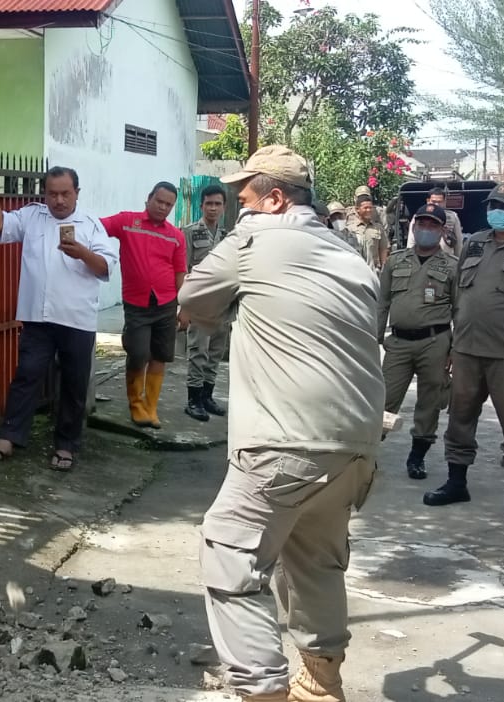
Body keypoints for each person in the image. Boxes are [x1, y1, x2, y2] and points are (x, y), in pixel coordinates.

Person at [182, 145, 380, 702]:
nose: (238, 209)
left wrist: (229, 298)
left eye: (245, 199)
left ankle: (262, 690)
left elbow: (193, 296)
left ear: (274, 199)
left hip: (283, 441)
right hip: (355, 447)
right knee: (314, 560)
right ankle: (321, 684)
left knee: (229, 551)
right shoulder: (351, 258)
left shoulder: (255, 237)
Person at [0, 165, 118, 471]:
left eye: (66, 193)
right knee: (27, 375)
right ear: (45, 194)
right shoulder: (32, 216)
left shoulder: (91, 225)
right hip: (37, 318)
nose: (59, 200)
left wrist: (82, 253)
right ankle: (9, 437)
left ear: (76, 193)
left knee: (73, 384)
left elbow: (105, 268)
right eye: (52, 194)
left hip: (76, 320)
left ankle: (66, 445)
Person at [424, 182, 504, 522]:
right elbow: (460, 293)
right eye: (493, 205)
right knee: (460, 416)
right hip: (466, 348)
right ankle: (456, 482)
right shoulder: (474, 243)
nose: (496, 212)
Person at [380, 204, 458, 481]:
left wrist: (455, 350)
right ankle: (367, 455)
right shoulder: (395, 261)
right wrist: (376, 339)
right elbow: (382, 303)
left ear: (441, 230)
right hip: (398, 342)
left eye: (432, 225)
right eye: (421, 223)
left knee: (430, 402)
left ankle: (417, 457)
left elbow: (460, 311)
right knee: (384, 400)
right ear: (413, 227)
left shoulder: (451, 267)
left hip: (434, 342)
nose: (426, 229)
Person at [103, 184, 188, 430]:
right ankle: (136, 405)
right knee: (138, 353)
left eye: (168, 204)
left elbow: (180, 272)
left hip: (166, 303)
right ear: (148, 198)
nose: (163, 207)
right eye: (159, 201)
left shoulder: (176, 236)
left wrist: (185, 307)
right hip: (136, 303)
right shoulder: (127, 222)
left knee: (161, 355)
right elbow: (97, 227)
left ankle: (151, 408)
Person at [183, 184, 231, 422]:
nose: (213, 208)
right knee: (198, 352)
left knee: (215, 352)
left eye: (218, 204)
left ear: (224, 207)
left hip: (222, 305)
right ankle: (193, 400)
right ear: (201, 206)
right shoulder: (190, 232)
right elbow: (183, 270)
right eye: (209, 203)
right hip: (200, 305)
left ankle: (207, 396)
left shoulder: (227, 236)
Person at [348, 194, 390, 270]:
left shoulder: (378, 228)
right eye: (365, 208)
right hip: (357, 269)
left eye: (370, 208)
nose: (369, 210)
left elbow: (383, 249)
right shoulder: (350, 228)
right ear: (357, 209)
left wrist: (384, 269)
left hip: (374, 270)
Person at [421, 187, 466, 251]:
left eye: (440, 202)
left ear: (444, 202)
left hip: (446, 258)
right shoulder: (419, 217)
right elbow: (412, 241)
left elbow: (458, 241)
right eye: (434, 201)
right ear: (428, 201)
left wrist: (458, 259)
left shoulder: (453, 217)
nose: (437, 204)